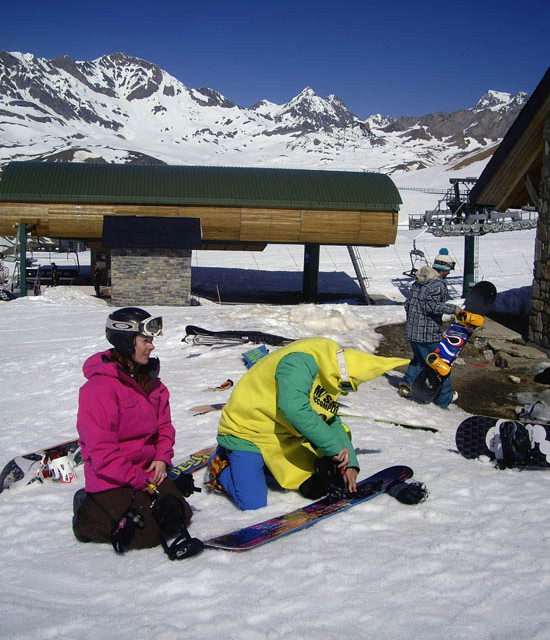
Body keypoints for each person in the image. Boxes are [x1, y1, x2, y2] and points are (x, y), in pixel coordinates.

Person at [206, 337, 409, 510]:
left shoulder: (331, 373)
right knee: (253, 503)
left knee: (314, 483)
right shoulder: (300, 361)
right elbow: (294, 409)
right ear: (343, 371)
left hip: (278, 432)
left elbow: (330, 421)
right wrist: (333, 448)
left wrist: (351, 465)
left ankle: (263, 467)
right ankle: (220, 464)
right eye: (347, 386)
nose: (344, 391)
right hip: (245, 429)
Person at [73, 307, 202, 559]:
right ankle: (86, 511)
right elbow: (102, 452)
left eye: (151, 341)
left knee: (180, 513)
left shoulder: (152, 384)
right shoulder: (100, 389)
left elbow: (165, 427)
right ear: (125, 341)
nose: (151, 347)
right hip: (111, 476)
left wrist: (162, 458)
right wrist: (141, 480)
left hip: (148, 471)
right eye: (145, 340)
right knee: (145, 534)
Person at [399, 248, 462, 408]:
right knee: (441, 364)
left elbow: (408, 304)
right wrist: (453, 310)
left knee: (420, 360)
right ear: (445, 270)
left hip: (413, 332)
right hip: (428, 334)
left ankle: (407, 385)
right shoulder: (438, 285)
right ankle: (444, 398)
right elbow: (432, 307)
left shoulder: (418, 282)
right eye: (448, 270)